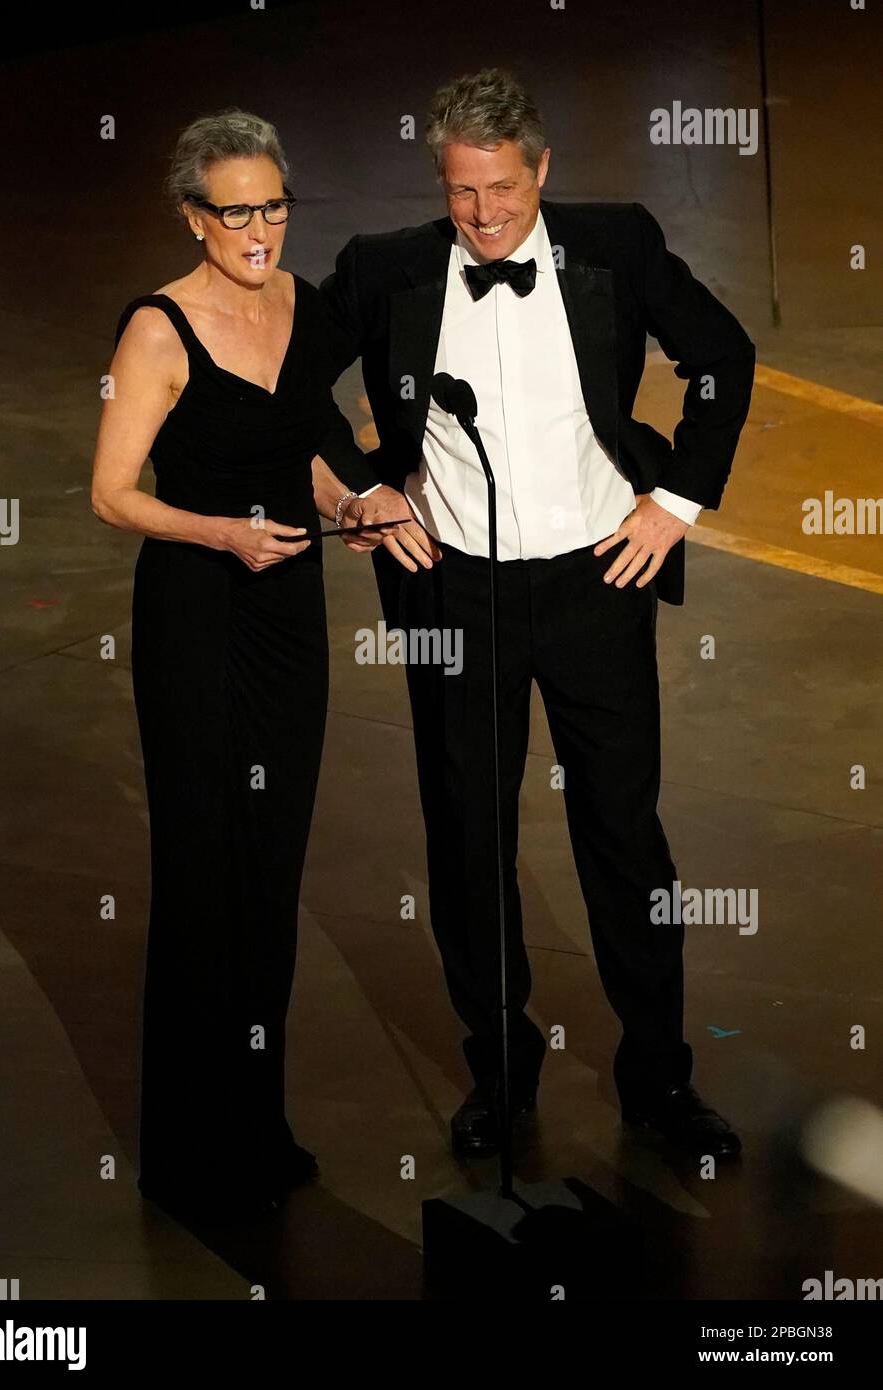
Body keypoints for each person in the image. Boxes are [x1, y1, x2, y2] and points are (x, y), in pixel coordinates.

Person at [317, 68, 756, 1161]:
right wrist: (356, 491)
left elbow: (722, 357)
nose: (484, 216)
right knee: (469, 837)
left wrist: (676, 503)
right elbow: (284, 390)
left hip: (599, 577)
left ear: (543, 169)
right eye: (463, 193)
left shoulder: (619, 246)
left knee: (625, 835)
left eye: (504, 190)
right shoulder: (388, 270)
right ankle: (500, 1072)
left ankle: (659, 1079)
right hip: (452, 586)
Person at [90, 108, 379, 1223]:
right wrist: (221, 532)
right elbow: (113, 493)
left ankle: (257, 1117)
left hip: (287, 614)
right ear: (192, 217)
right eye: (237, 210)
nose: (260, 228)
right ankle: (187, 1143)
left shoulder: (300, 304)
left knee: (272, 867)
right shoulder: (158, 330)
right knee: (203, 870)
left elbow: (298, 444)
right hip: (198, 611)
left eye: (274, 205)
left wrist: (354, 498)